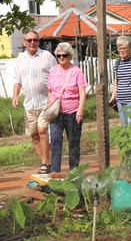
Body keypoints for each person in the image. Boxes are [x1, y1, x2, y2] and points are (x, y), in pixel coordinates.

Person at [11, 30, 55, 173]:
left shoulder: (47, 56)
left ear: (38, 42)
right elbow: (17, 80)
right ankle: (45, 163)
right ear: (24, 42)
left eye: (35, 40)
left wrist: (53, 97)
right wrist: (15, 96)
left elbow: (55, 76)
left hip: (44, 103)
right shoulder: (20, 59)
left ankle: (45, 163)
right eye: (29, 40)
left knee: (42, 130)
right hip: (29, 104)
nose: (32, 43)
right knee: (34, 134)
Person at [45, 43, 88, 174]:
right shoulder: (53, 71)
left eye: (65, 55)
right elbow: (51, 91)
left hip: (72, 112)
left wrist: (80, 109)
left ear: (70, 56)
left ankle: (74, 171)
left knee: (73, 141)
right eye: (59, 56)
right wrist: (48, 108)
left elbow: (82, 92)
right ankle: (55, 170)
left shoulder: (76, 71)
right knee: (56, 139)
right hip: (56, 112)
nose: (62, 58)